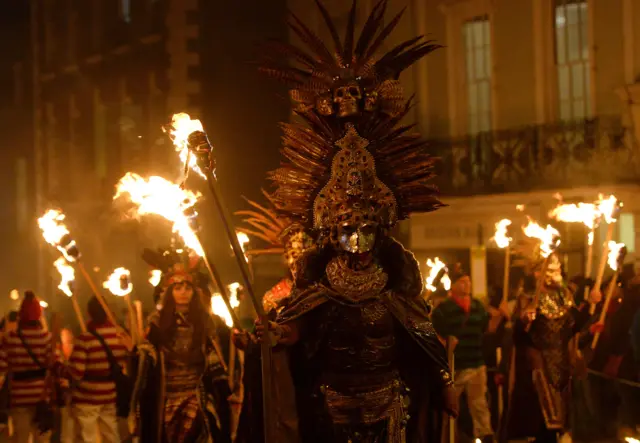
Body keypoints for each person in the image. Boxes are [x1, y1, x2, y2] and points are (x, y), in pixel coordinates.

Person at [256, 1, 458, 440]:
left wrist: (444, 381)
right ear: (330, 229)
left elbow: (421, 331)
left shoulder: (397, 275)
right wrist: (276, 337)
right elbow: (297, 331)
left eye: (367, 228)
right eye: (348, 229)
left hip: (388, 405)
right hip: (331, 407)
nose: (359, 239)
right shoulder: (316, 280)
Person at [233, 192, 315, 443]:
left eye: (303, 255)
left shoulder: (325, 293)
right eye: (292, 255)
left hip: (317, 377)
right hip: (284, 380)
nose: (297, 261)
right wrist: (252, 343)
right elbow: (266, 344)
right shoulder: (274, 296)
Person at [499, 242, 601, 443]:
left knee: (560, 421)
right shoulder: (527, 299)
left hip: (561, 364)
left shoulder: (565, 298)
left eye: (558, 269)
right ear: (539, 273)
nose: (557, 273)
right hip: (537, 367)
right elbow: (519, 337)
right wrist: (523, 322)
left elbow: (571, 329)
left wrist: (591, 305)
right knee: (540, 419)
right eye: (551, 269)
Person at [132, 259, 232, 443]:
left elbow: (213, 355)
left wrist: (222, 382)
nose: (183, 292)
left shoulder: (204, 321)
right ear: (170, 293)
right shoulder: (157, 322)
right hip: (167, 396)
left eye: (188, 288)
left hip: (195, 395)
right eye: (178, 288)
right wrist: (142, 353)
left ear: (194, 292)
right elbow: (150, 355)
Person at [432, 264, 507, 443]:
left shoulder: (477, 307)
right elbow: (436, 335)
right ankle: (446, 438)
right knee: (449, 406)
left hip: (476, 364)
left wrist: (501, 315)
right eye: (463, 282)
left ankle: (485, 436)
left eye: (468, 282)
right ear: (454, 285)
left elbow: (488, 328)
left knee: (479, 405)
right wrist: (448, 343)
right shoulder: (444, 309)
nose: (467, 285)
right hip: (454, 366)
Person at [65, 296, 128, 443]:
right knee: (111, 434)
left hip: (87, 397)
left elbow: (77, 372)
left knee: (89, 437)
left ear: (89, 313)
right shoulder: (119, 336)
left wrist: (61, 369)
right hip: (110, 394)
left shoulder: (85, 339)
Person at [0, 292, 58, 443]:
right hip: (42, 395)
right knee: (42, 439)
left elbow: (2, 366)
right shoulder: (47, 338)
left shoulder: (10, 338)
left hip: (19, 397)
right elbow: (55, 366)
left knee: (21, 438)